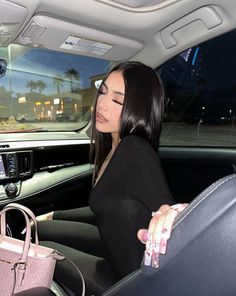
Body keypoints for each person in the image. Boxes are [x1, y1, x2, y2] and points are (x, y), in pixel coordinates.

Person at [37, 61, 174, 295]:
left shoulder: (135, 150)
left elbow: (168, 210)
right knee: (39, 228)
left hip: (133, 279)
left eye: (118, 100)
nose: (102, 104)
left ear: (138, 108)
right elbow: (104, 204)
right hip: (115, 248)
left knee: (43, 249)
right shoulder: (115, 144)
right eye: (103, 92)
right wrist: (53, 215)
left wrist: (171, 214)